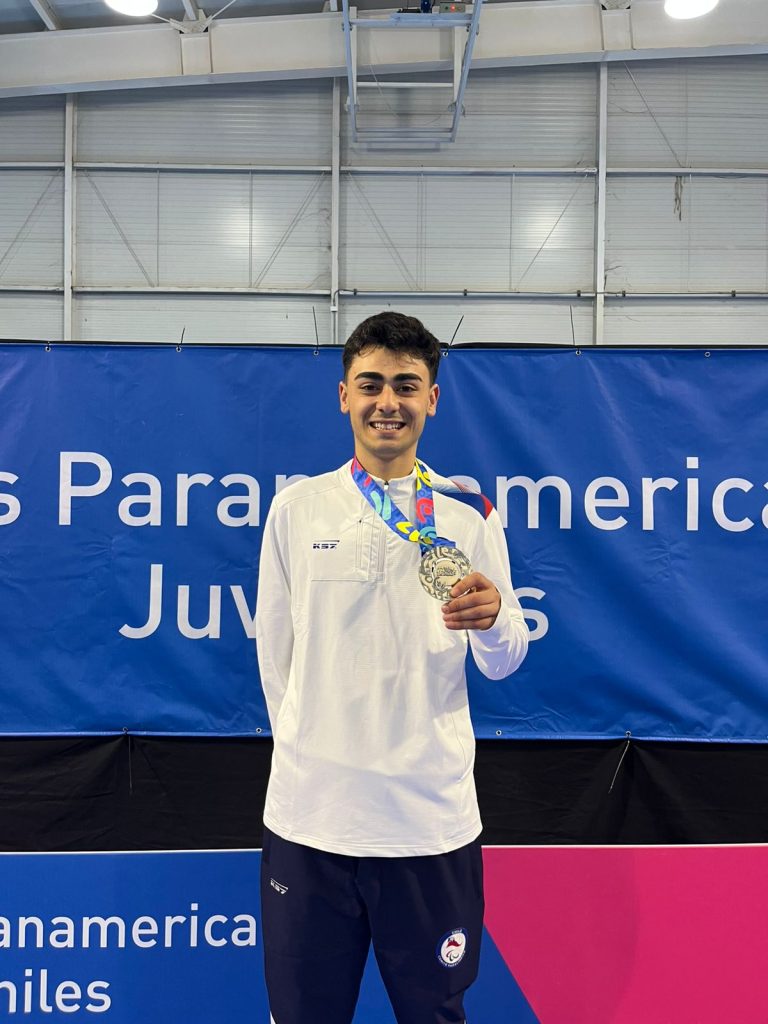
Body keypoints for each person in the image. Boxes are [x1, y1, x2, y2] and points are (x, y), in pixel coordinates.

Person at [255, 311, 529, 1024]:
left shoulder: (471, 513)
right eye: (370, 384)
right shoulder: (297, 507)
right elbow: (276, 660)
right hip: (312, 824)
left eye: (407, 386)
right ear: (343, 395)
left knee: (435, 1017)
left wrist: (497, 617)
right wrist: (314, 756)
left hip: (428, 825)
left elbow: (504, 661)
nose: (388, 402)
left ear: (432, 399)